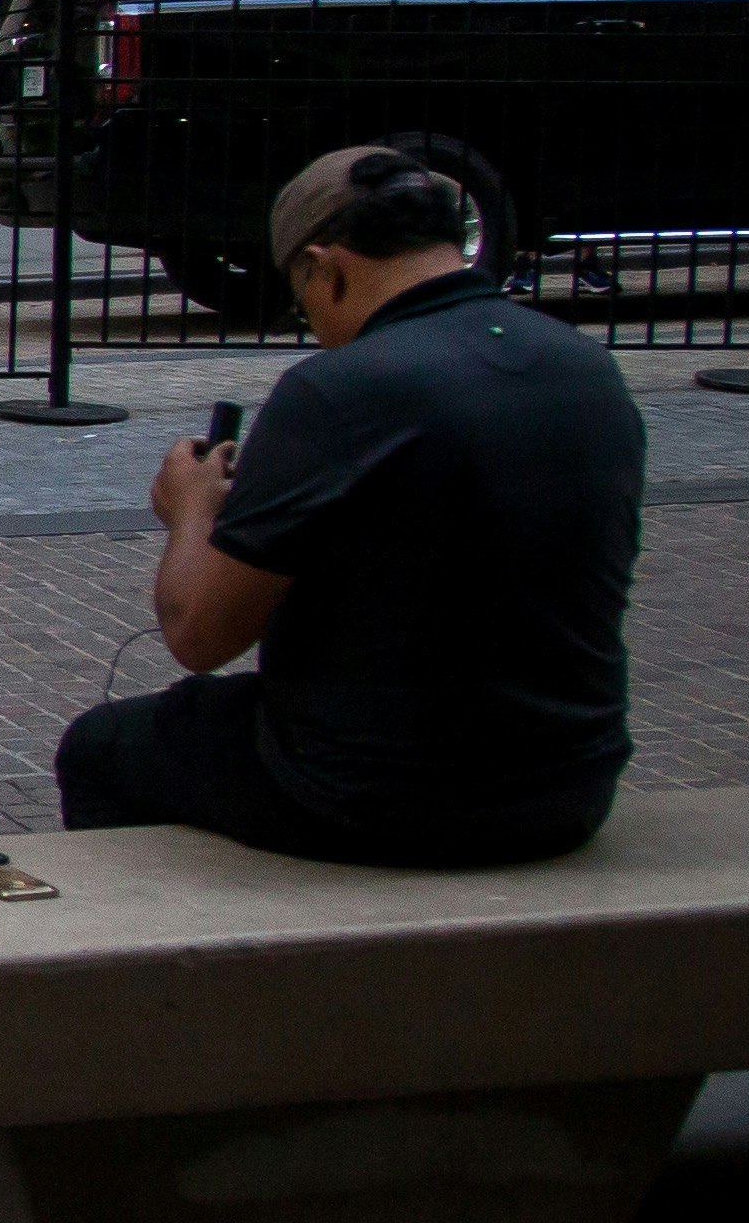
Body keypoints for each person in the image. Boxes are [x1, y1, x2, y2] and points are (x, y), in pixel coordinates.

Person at [53, 144, 646, 869]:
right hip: (569, 785)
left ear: (328, 268)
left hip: (376, 796)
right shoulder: (584, 366)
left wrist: (191, 512)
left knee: (102, 747)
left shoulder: (339, 392)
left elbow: (198, 636)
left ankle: (134, 965)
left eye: (301, 300)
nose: (311, 325)